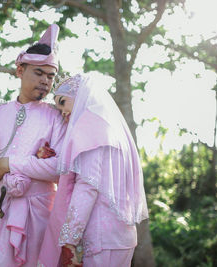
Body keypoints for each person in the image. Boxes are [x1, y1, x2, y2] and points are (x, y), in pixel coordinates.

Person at [0, 24, 66, 267]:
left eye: (50, 76)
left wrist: (10, 163)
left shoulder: (57, 117)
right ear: (20, 71)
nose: (46, 81)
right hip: (1, 211)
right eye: (39, 73)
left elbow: (60, 167)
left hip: (42, 216)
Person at [38, 74, 149, 267]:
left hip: (102, 238)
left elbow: (87, 186)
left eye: (63, 102)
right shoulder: (109, 126)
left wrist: (69, 241)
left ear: (81, 95)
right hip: (121, 237)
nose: (63, 112)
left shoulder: (89, 127)